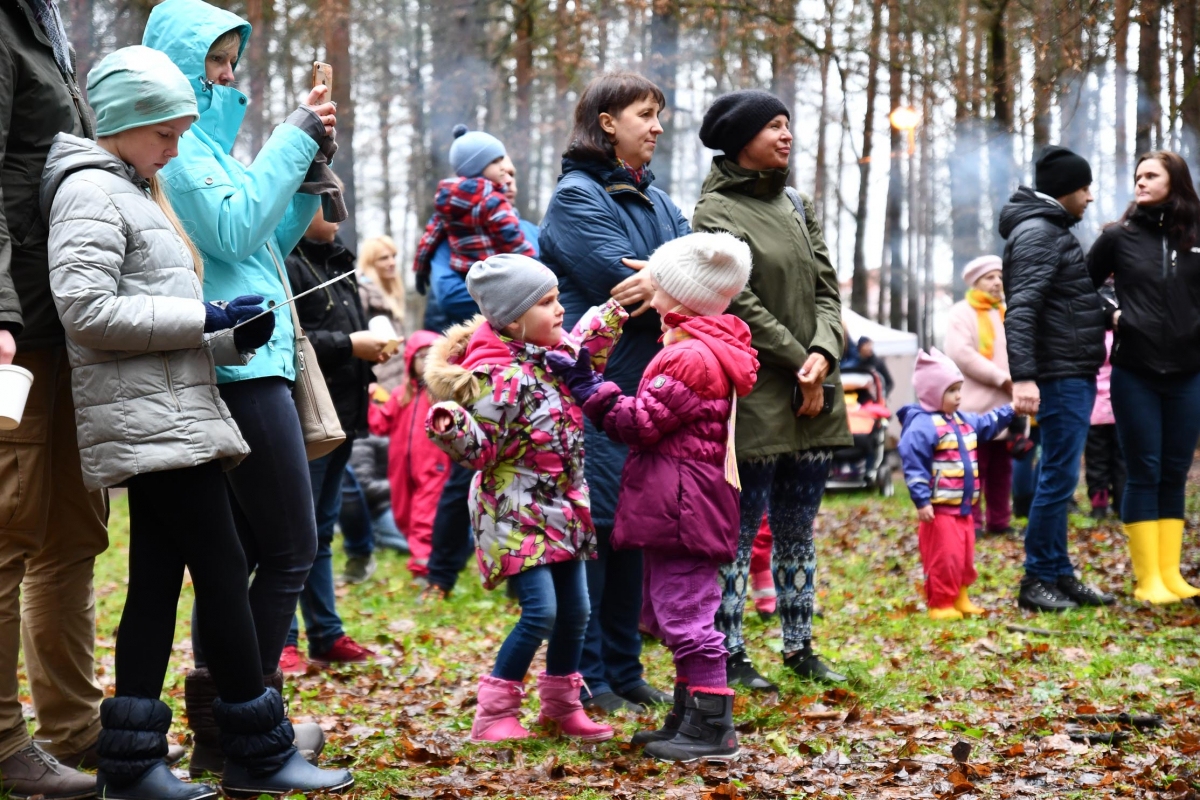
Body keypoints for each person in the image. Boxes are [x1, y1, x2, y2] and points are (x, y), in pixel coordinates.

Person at [41, 46, 353, 800]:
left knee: (155, 583)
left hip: (170, 406)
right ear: (124, 123)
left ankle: (131, 765)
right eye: (167, 134)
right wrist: (204, 316)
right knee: (218, 572)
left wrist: (222, 332)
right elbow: (85, 310)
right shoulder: (92, 192)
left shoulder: (134, 186)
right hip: (150, 416)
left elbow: (149, 309)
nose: (176, 149)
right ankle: (253, 751)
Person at [142, 0, 335, 771]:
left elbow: (264, 244)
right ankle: (242, 725)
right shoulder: (183, 153)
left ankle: (228, 728)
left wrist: (308, 173)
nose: (227, 76)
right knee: (291, 547)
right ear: (183, 66)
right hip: (237, 366)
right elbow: (227, 233)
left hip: (259, 361)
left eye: (230, 63)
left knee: (250, 553)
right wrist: (291, 141)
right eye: (215, 63)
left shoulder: (212, 153)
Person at [548, 231, 757, 762]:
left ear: (682, 295)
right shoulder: (697, 347)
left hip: (683, 504)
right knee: (676, 608)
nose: (651, 291)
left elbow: (640, 424)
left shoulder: (688, 357)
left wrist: (588, 386)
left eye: (659, 283)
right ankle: (690, 717)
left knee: (687, 615)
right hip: (684, 499)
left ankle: (713, 730)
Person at [423, 253, 623, 744]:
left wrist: (617, 307)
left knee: (577, 611)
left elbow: (587, 342)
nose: (560, 311)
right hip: (513, 511)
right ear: (514, 319)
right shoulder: (496, 376)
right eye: (548, 303)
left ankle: (560, 706)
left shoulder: (553, 359)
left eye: (558, 300)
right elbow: (483, 450)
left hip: (564, 507)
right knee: (542, 612)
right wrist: (454, 428)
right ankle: (493, 714)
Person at [538, 71, 688, 713]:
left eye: (658, 115)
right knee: (598, 528)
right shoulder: (577, 197)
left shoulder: (658, 202)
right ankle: (591, 678)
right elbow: (613, 278)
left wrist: (665, 278)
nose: (657, 126)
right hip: (594, 390)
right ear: (607, 122)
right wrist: (675, 277)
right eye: (645, 114)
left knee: (633, 529)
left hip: (648, 391)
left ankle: (625, 672)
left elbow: (702, 277)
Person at [693, 89, 851, 690]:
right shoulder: (714, 213)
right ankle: (729, 650)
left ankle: (800, 646)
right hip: (757, 388)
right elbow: (739, 302)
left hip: (813, 384)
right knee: (739, 527)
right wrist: (798, 360)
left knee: (797, 524)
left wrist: (823, 354)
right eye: (774, 126)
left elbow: (828, 291)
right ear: (740, 140)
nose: (786, 135)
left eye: (789, 124)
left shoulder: (795, 203)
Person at [0, 2, 109, 794]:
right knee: (7, 534)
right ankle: (4, 743)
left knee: (76, 531)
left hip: (62, 316)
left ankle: (75, 728)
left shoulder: (43, 23)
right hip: (16, 329)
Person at [999, 145, 1114, 613]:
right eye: (1084, 187)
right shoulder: (1039, 234)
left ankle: (1058, 573)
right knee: (1057, 480)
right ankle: (1036, 579)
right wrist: (1024, 377)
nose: (1089, 197)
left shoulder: (1050, 231)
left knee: (1061, 478)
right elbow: (1022, 308)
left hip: (1071, 370)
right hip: (1059, 374)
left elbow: (1061, 302)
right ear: (1065, 190)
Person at [281, 209, 396, 671]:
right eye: (325, 201)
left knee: (322, 531)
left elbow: (351, 330)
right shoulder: (286, 264)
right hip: (306, 417)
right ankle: (283, 640)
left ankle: (325, 634)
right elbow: (291, 339)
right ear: (296, 207)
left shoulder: (341, 262)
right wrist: (352, 344)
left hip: (345, 416)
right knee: (293, 534)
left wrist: (373, 356)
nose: (339, 211)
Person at [421, 155, 537, 598]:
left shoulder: (528, 231)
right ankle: (439, 577)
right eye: (499, 170)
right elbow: (446, 299)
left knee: (528, 471)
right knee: (462, 475)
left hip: (531, 365)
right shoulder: (452, 236)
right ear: (476, 180)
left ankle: (522, 581)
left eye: (512, 169)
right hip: (479, 369)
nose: (509, 176)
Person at [1088, 150, 1200, 604]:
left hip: (1190, 371)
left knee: (1175, 470)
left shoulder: (1197, 235)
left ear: (1175, 180)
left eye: (1150, 175)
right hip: (1135, 370)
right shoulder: (1118, 236)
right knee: (1144, 469)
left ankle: (1170, 576)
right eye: (1137, 175)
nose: (1141, 181)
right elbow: (1085, 285)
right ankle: (1146, 579)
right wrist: (1112, 313)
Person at [898, 350, 1015, 620]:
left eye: (959, 389)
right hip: (939, 510)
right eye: (951, 391)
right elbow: (914, 465)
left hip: (964, 508)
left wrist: (1010, 410)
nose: (958, 396)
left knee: (964, 557)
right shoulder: (924, 426)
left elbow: (988, 423)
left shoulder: (963, 421)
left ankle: (961, 596)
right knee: (944, 558)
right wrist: (922, 500)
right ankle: (940, 603)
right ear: (931, 393)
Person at [368, 330, 451, 582]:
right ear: (410, 360)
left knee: (423, 518)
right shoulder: (399, 395)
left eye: (431, 357)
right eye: (421, 356)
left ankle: (424, 570)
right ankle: (434, 555)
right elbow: (379, 425)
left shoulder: (442, 397)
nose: (425, 362)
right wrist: (371, 397)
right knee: (403, 516)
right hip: (400, 471)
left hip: (433, 467)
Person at [944, 255, 1015, 536]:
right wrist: (1002, 379)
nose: (997, 282)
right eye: (990, 277)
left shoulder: (1007, 310)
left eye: (999, 276)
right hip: (973, 408)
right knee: (974, 468)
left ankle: (1000, 522)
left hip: (1006, 405)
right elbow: (961, 354)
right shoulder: (961, 313)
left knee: (1002, 469)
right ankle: (972, 524)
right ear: (975, 282)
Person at [1085, 283, 1125, 520]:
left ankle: (1099, 504)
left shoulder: (1091, 336)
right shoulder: (1119, 337)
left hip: (1096, 408)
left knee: (1098, 458)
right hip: (1116, 406)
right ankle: (1120, 503)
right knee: (1120, 456)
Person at [339, 437, 410, 560]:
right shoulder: (362, 438)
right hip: (380, 510)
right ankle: (371, 538)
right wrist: (406, 484)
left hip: (403, 504)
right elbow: (364, 487)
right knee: (412, 545)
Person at [357, 235, 407, 389]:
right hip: (377, 383)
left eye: (393, 256)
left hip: (398, 379)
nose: (392, 262)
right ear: (371, 263)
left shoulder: (391, 292)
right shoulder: (362, 291)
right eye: (384, 258)